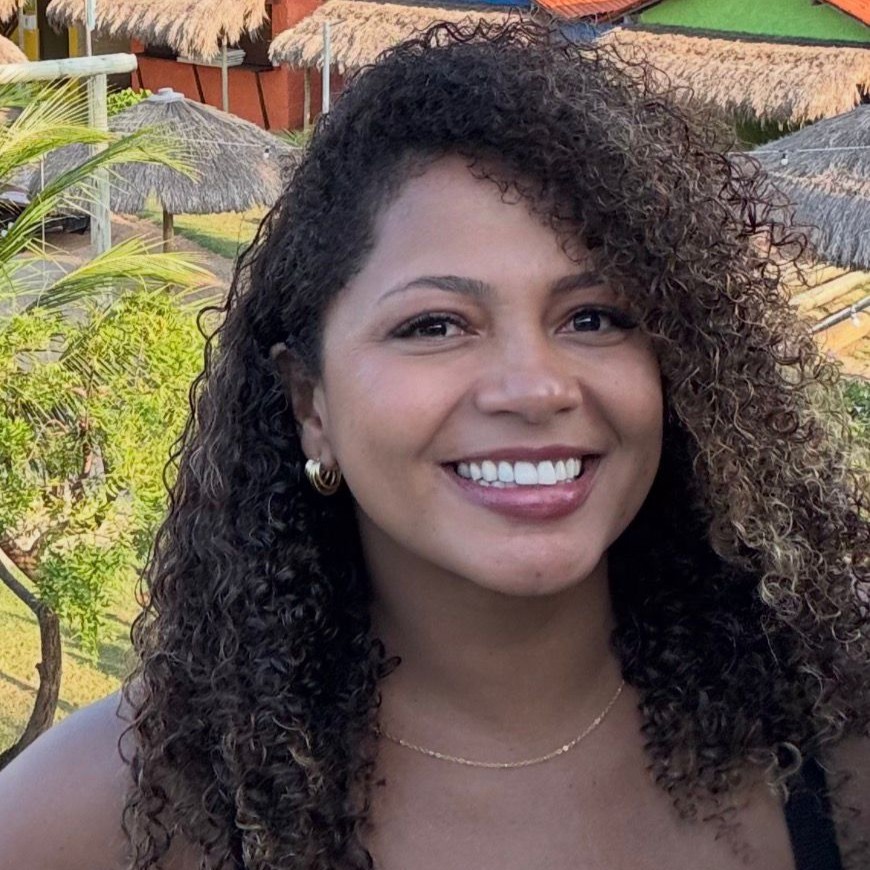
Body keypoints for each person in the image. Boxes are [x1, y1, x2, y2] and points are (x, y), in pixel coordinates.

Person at [0, 19, 868, 870]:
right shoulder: (97, 818)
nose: (535, 387)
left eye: (594, 317)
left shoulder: (836, 752)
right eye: (435, 325)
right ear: (310, 403)